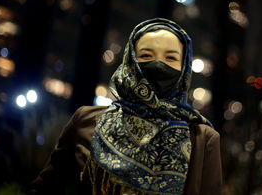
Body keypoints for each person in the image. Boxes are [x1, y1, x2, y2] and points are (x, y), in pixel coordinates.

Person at [28, 18, 222, 195]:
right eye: (146, 55)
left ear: (184, 68)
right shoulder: (86, 121)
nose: (158, 64)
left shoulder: (202, 138)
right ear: (130, 61)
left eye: (170, 58)